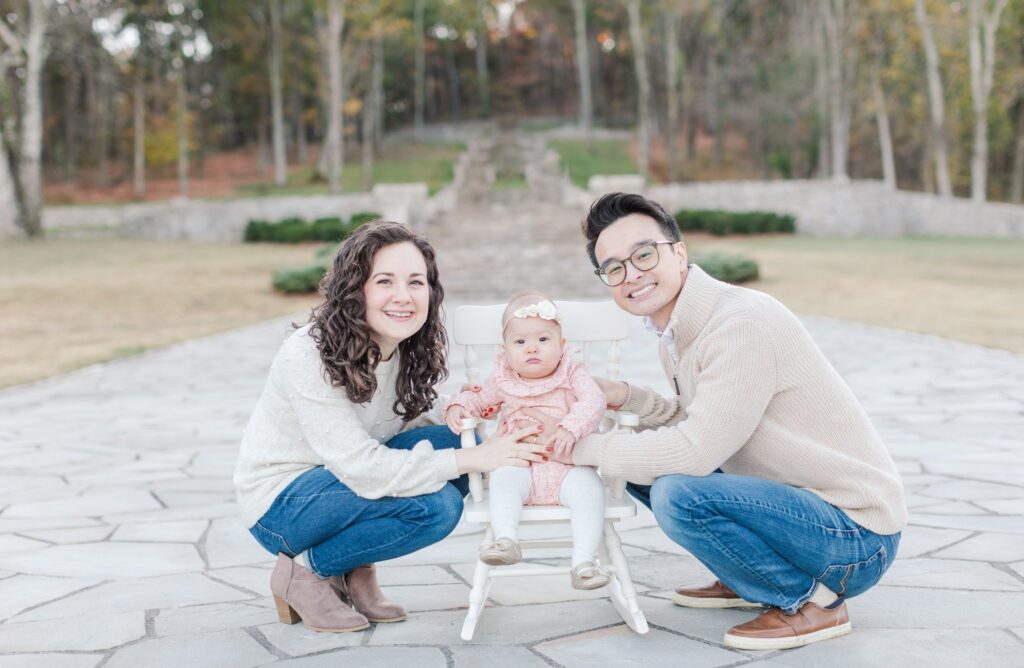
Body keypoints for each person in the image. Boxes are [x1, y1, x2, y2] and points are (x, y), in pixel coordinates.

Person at [543, 192, 906, 650]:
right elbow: (710, 423)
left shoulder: (740, 323)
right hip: (804, 509)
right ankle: (748, 574)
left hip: (855, 535)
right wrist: (628, 397)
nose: (630, 274)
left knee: (677, 490)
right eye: (614, 268)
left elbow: (696, 451)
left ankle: (810, 601)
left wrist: (580, 449)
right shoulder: (681, 328)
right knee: (640, 466)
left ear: (679, 251)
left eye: (643, 254)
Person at [234, 221, 549, 634]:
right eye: (385, 281)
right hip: (283, 505)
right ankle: (305, 572)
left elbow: (407, 427)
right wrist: (473, 456)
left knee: (457, 438)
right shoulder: (308, 354)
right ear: (356, 288)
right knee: (435, 508)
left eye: (416, 282)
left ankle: (350, 568)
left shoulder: (400, 347)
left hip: (339, 487)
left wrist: (474, 413)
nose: (404, 296)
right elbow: (362, 467)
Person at [445, 291, 611, 590]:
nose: (532, 348)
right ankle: (507, 539)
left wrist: (570, 427)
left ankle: (584, 562)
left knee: (590, 492)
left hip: (569, 466)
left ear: (561, 346)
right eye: (520, 342)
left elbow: (594, 401)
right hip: (518, 462)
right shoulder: (503, 378)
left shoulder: (573, 371)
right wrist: (460, 405)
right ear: (505, 350)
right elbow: (479, 397)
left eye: (543, 340)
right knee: (503, 482)